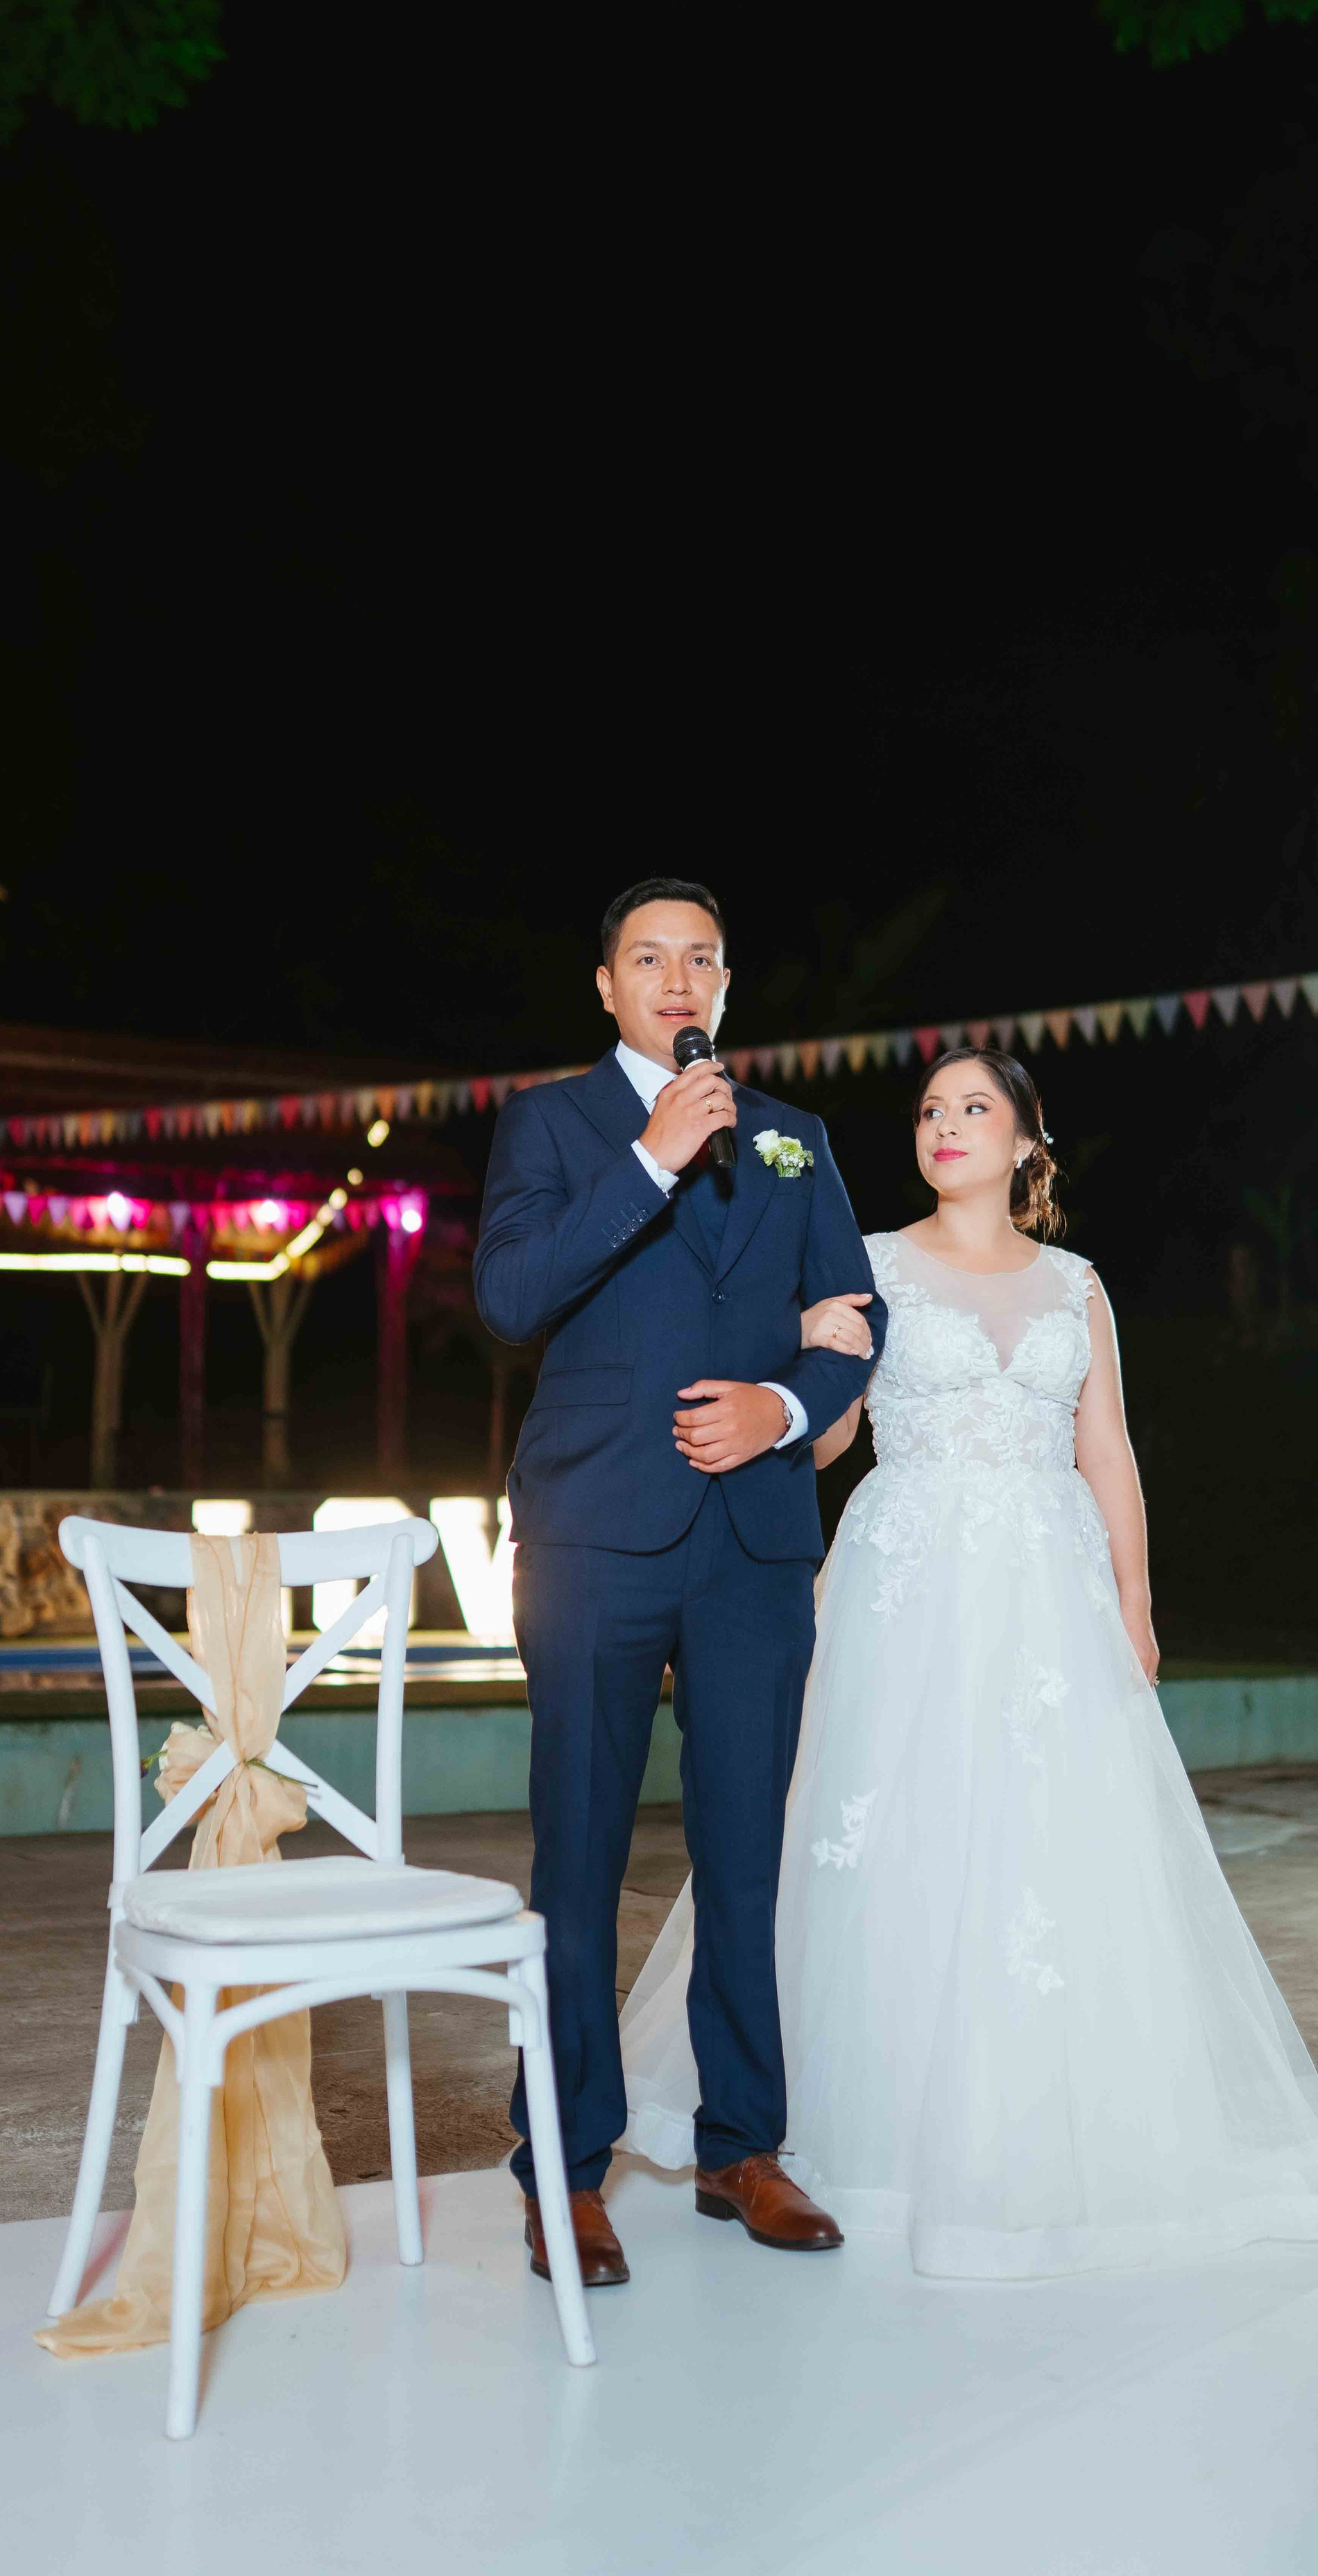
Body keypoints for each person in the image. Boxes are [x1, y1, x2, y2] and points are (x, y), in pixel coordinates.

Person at [620, 1047, 1318, 2278]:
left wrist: (1134, 1599)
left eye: (975, 1108)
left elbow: (1108, 1452)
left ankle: (1051, 2122)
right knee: (885, 1832)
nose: (946, 1125)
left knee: (1052, 1841)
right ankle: (809, 2125)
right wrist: (798, 1352)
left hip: (1050, 1591)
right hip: (907, 1580)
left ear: (1027, 1142)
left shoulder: (1078, 1285)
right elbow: (829, 1441)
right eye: (930, 1110)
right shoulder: (868, 1260)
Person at [473, 878, 885, 2285]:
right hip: (594, 1529)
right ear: (607, 987)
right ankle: (566, 2166)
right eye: (648, 959)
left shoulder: (793, 1138)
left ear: (725, 984)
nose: (676, 980)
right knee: (578, 1852)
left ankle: (742, 2147)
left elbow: (854, 1318)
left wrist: (784, 1405)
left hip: (753, 1539)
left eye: (699, 959)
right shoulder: (552, 1123)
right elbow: (510, 1300)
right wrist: (648, 1163)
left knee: (745, 1853)